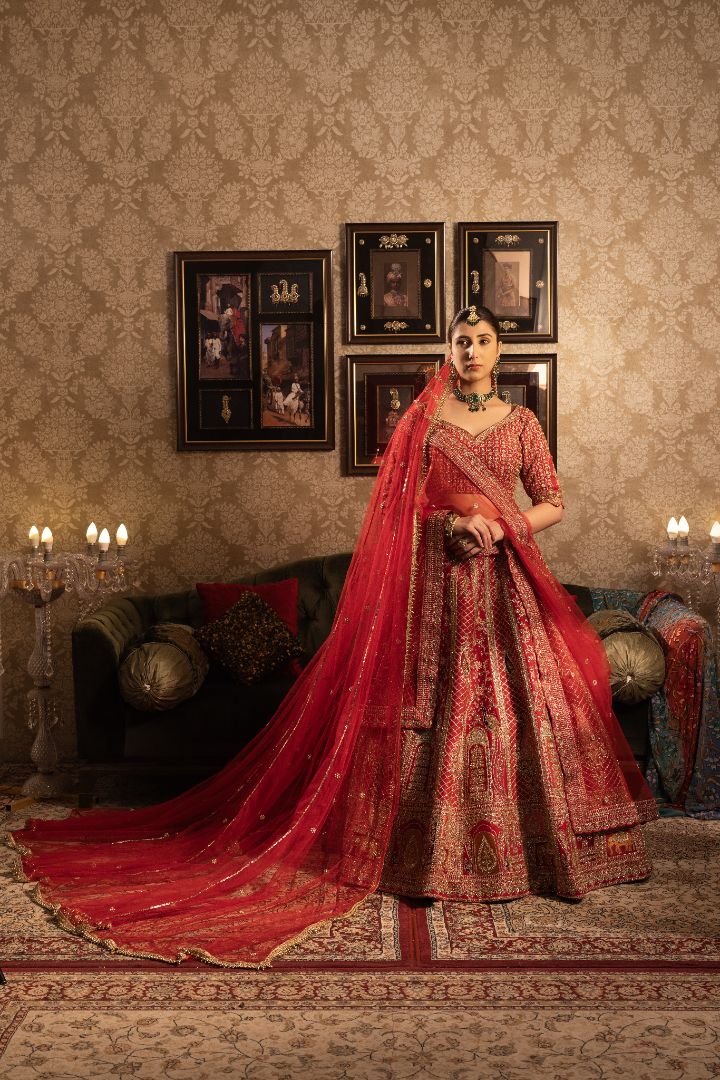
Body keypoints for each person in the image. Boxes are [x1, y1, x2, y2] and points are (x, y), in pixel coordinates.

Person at [8, 306, 657, 969]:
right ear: (450, 349)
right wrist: (447, 529)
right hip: (431, 586)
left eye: (483, 341)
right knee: (427, 708)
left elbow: (552, 501)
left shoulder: (522, 424)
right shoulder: (424, 420)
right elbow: (399, 509)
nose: (471, 351)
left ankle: (537, 854)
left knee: (519, 710)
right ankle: (421, 856)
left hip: (501, 586)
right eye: (461, 341)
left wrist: (498, 527)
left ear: (501, 351)